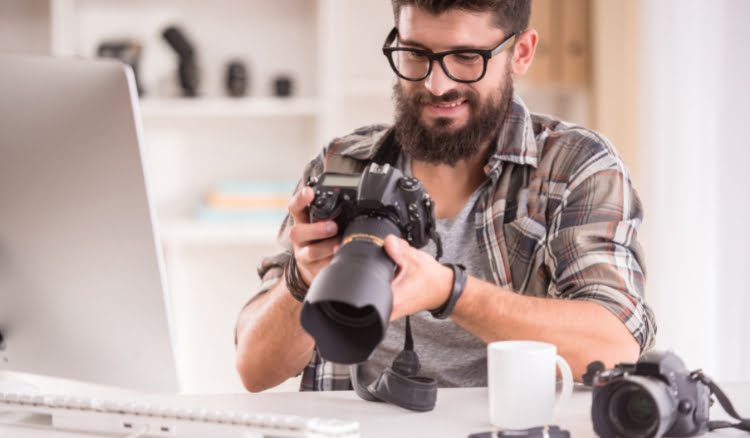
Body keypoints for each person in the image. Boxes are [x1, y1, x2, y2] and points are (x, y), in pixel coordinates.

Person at [235, 0, 656, 393]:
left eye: (467, 58)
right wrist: (302, 278)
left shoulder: (574, 166)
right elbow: (255, 370)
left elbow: (614, 344)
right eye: (416, 53)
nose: (437, 84)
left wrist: (451, 292)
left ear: (521, 52)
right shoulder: (344, 165)